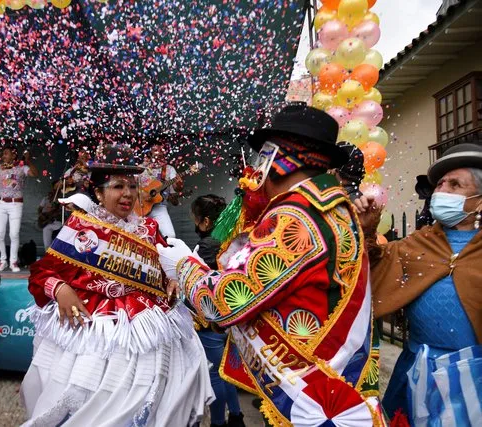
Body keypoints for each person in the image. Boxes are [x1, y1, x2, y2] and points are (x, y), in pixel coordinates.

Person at [158, 104, 384, 425]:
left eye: (261, 155)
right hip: (328, 380)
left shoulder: (295, 216)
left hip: (309, 400)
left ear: (275, 159)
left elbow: (225, 301)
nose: (253, 168)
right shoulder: (333, 208)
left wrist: (182, 264)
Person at [21, 144, 213, 427]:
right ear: (98, 193)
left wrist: (172, 279)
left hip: (146, 327)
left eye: (132, 186)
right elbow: (41, 272)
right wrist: (60, 289)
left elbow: (164, 268)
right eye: (118, 186)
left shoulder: (148, 229)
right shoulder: (81, 228)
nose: (127, 194)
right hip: (94, 329)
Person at [355, 143, 482, 424]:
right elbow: (368, 272)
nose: (440, 191)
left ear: (479, 200)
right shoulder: (418, 243)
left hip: (475, 378)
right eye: (440, 184)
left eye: (455, 184)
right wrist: (366, 229)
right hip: (416, 368)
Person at [191, 194, 246, 427]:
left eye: (194, 219)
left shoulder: (207, 245)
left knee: (214, 373)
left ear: (204, 221)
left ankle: (217, 422)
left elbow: (199, 281)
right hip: (230, 315)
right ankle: (236, 416)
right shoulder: (232, 239)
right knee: (227, 371)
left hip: (210, 318)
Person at [139, 142, 184, 238]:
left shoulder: (169, 169)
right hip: (139, 207)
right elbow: (131, 188)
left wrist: (179, 186)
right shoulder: (141, 168)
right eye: (155, 150)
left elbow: (175, 195)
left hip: (159, 207)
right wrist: (142, 194)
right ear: (150, 153)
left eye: (160, 151)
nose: (158, 153)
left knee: (170, 236)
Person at [38, 180, 65, 250]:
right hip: (47, 222)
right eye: (56, 186)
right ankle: (48, 252)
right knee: (46, 229)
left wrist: (55, 209)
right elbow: (39, 209)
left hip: (59, 222)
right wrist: (42, 216)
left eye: (60, 185)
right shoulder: (46, 198)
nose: (58, 187)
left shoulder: (63, 197)